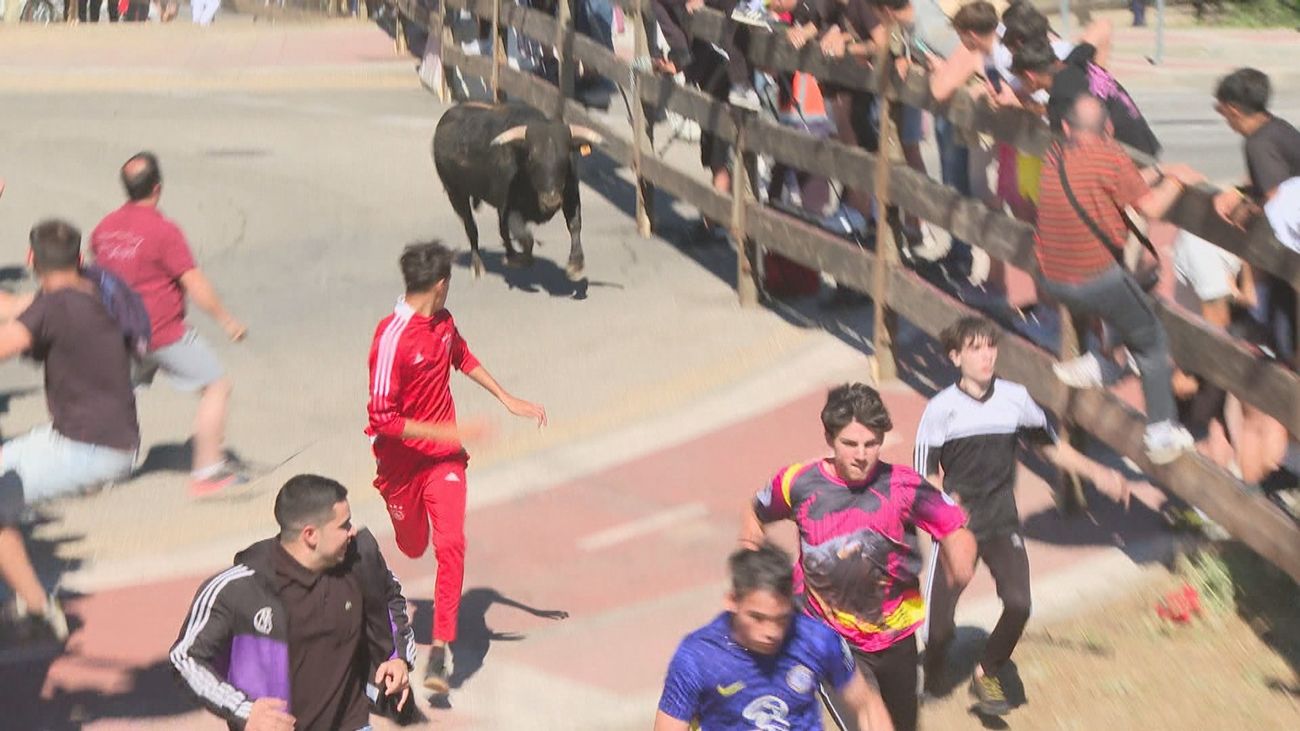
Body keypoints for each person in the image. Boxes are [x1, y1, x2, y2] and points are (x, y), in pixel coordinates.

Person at [914, 316, 1129, 715]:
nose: (986, 355)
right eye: (975, 348)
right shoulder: (940, 410)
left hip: (1000, 521)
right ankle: (933, 666)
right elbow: (923, 474)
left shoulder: (1015, 398)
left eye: (990, 346)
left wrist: (1098, 472)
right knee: (937, 630)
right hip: (956, 527)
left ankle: (987, 671)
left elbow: (1050, 447)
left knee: (1019, 603)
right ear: (955, 356)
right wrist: (944, 515)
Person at [739, 383, 977, 731]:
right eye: (849, 443)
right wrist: (750, 561)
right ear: (829, 438)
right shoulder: (798, 484)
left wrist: (961, 558)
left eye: (871, 444)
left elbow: (953, 526)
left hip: (896, 637)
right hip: (831, 638)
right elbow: (755, 512)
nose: (861, 455)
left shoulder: (902, 486)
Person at [366, 240, 546, 693]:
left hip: (444, 463)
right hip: (401, 467)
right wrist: (455, 430)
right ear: (441, 284)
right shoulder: (390, 339)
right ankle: (400, 582)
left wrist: (507, 399)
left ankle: (439, 651)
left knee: (451, 545)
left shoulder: (443, 323)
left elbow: (460, 355)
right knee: (412, 545)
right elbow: (382, 420)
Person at [170, 474, 416, 731]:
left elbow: (389, 596)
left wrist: (397, 657)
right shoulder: (240, 589)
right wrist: (244, 709)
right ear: (310, 535)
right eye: (344, 525)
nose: (352, 531)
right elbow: (185, 658)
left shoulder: (359, 561)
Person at [1033, 95, 1204, 465]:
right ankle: (1160, 435)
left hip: (1053, 280)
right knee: (1152, 342)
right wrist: (1176, 179)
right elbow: (1149, 207)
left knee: (1124, 303)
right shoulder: (1111, 157)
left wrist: (1157, 174)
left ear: (1066, 128)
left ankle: (1099, 362)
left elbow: (1112, 187)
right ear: (1108, 129)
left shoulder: (1056, 156)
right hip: (1095, 281)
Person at [0, 219, 141, 644]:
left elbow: (8, 341)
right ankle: (33, 601)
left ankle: (42, 612)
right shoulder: (90, 288)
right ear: (78, 259)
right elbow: (14, 305)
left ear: (30, 259)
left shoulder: (53, 308)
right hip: (91, 437)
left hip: (91, 449)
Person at [91, 152, 248, 496]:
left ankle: (99, 474)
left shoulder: (103, 229)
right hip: (162, 333)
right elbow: (194, 282)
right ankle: (207, 472)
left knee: (118, 397)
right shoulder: (164, 231)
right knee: (216, 386)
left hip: (117, 334)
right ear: (157, 188)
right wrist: (227, 321)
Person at [655, 543, 895, 731]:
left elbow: (866, 706)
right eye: (757, 617)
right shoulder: (697, 658)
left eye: (781, 618)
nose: (771, 632)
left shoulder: (817, 640)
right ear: (732, 602)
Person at [1211, 67, 1300, 366]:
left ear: (1233, 109)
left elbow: (1276, 195)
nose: (1220, 115)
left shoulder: (1258, 143)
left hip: (1289, 249)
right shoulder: (1279, 128)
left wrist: (1248, 208)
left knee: (1285, 325)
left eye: (1219, 108)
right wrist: (1240, 190)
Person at [1012, 36, 1160, 157]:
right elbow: (1094, 39)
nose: (1020, 85)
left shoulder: (1060, 99)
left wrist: (1018, 105)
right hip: (1145, 140)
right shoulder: (1077, 59)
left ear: (1029, 77)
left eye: (1020, 80)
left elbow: (1064, 151)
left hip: (1130, 157)